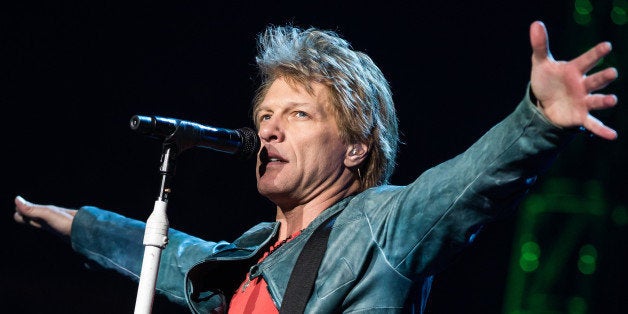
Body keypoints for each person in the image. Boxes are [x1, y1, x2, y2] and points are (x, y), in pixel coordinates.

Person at [13, 20, 618, 313]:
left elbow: (469, 183)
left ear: (355, 147)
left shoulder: (382, 226)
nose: (268, 129)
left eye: (298, 114)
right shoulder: (247, 256)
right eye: (266, 113)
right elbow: (170, 256)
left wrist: (537, 117)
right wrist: (73, 223)